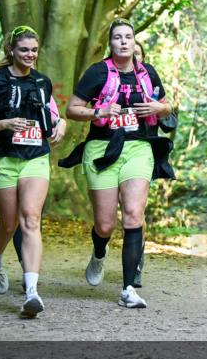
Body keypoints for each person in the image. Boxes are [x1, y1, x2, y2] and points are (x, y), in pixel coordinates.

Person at [62, 18, 175, 309]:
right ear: (110, 43)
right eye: (118, 38)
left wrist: (158, 107)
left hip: (138, 147)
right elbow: (72, 109)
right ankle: (99, 254)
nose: (123, 42)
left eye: (128, 37)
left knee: (134, 215)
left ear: (133, 41)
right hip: (102, 148)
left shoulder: (147, 73)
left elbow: (167, 106)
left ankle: (127, 289)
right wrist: (98, 111)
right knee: (104, 223)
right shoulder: (98, 72)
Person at [0, 25, 66, 318]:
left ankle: (31, 292)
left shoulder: (42, 81)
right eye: (24, 50)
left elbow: (53, 114)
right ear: (12, 51)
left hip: (35, 156)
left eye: (34, 50)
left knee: (31, 218)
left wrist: (60, 124)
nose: (29, 55)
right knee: (8, 223)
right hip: (2, 157)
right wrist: (5, 123)